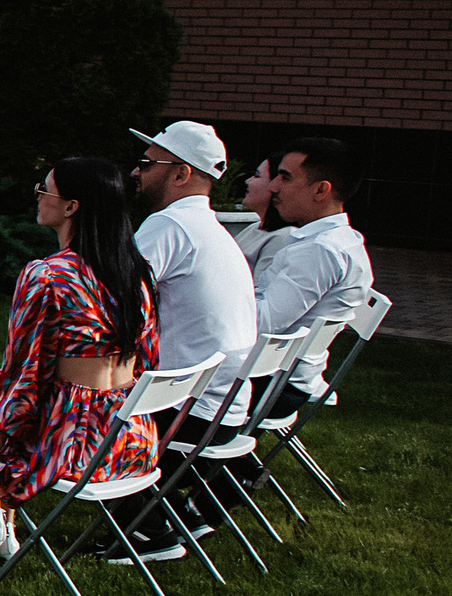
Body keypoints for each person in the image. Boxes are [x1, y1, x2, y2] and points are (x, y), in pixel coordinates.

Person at [0, 159, 159, 557]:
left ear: (71, 207)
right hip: (133, 435)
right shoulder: (133, 271)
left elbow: (25, 367)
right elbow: (148, 358)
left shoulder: (48, 275)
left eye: (44, 189)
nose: (37, 196)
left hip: (77, 443)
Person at [118, 121, 260, 559]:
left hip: (188, 412)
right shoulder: (211, 229)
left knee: (73, 404)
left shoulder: (170, 225)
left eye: (147, 163)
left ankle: (150, 531)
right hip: (225, 408)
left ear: (181, 174)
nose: (136, 172)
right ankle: (178, 514)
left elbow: (112, 298)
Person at [249, 137, 373, 429]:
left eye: (285, 177)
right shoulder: (342, 240)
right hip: (285, 380)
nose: (274, 186)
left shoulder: (320, 250)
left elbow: (264, 322)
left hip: (270, 385)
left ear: (321, 189)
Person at [232, 155, 297, 273]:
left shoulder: (282, 238)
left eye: (257, 176)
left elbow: (261, 288)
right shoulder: (255, 227)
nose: (248, 181)